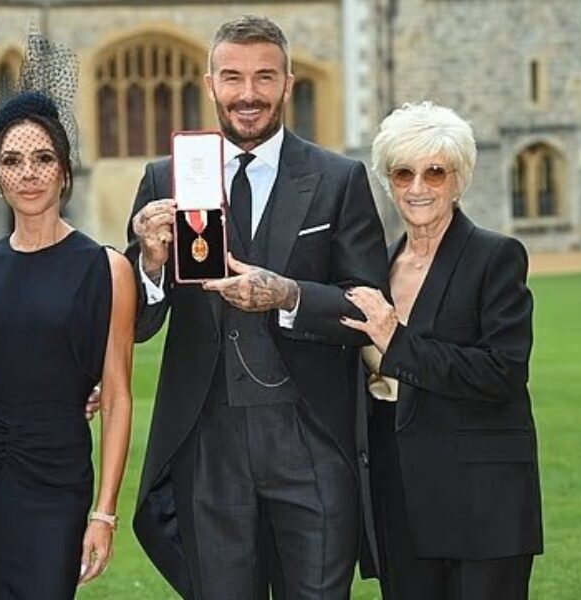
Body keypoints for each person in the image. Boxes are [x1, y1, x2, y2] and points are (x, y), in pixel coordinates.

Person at [127, 14, 389, 600]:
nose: (248, 94)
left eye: (264, 77)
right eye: (233, 78)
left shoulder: (337, 179)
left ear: (288, 84)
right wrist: (148, 261)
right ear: (210, 83)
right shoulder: (165, 178)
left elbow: (371, 308)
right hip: (208, 441)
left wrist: (290, 295)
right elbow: (141, 324)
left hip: (311, 439)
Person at [344, 101, 543, 599]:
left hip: (481, 502)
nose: (417, 187)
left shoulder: (495, 257)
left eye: (435, 172)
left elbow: (503, 372)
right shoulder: (379, 267)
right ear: (388, 181)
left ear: (459, 179)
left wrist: (397, 341)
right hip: (398, 494)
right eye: (403, 172)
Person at [0, 71, 136, 596]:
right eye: (12, 161)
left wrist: (104, 513)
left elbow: (118, 396)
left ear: (64, 172)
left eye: (43, 159)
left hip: (57, 481)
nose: (28, 174)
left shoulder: (107, 269)